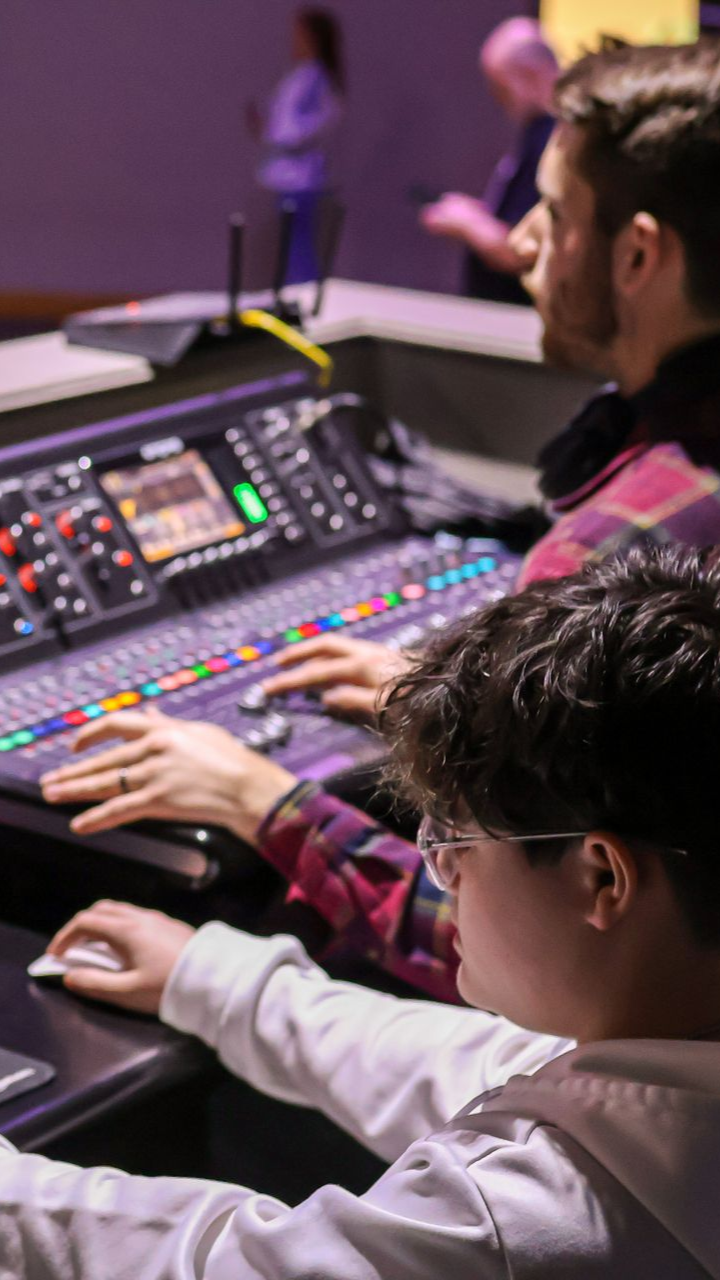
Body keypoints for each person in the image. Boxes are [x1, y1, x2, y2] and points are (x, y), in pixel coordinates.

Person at [41, 38, 720, 1002]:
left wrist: (260, 799)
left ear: (640, 253)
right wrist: (451, 703)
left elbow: (511, 945)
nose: (523, 240)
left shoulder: (608, 557)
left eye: (555, 212)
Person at [9, 545, 720, 1275]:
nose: (442, 875)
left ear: (602, 879)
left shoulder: (509, 1223)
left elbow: (235, 1267)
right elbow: (481, 1061)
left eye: (454, 842)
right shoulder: (678, 1036)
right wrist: (219, 981)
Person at [420, 17, 558, 304]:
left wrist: (468, 223)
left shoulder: (553, 140)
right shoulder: (539, 133)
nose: (499, 100)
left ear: (531, 73)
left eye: (501, 88)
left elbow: (523, 250)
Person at [248, 7, 344, 285]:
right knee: (293, 244)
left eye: (300, 35)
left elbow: (311, 124)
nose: (295, 41)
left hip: (300, 177)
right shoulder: (304, 76)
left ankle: (303, 295)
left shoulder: (314, 78)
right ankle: (299, 292)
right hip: (290, 175)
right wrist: (268, 130)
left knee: (298, 247)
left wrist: (275, 134)